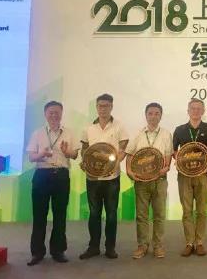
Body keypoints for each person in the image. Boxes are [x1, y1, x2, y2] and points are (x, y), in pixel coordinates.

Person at [26, 101, 79, 266]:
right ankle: (37, 252)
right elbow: (31, 157)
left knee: (60, 215)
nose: (54, 115)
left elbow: (75, 155)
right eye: (51, 112)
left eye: (57, 112)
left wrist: (67, 152)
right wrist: (41, 154)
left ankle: (58, 251)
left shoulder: (69, 133)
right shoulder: (37, 133)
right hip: (42, 175)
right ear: (45, 114)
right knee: (39, 215)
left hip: (61, 176)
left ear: (62, 113)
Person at [79, 93, 129, 260]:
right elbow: (85, 151)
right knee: (94, 213)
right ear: (96, 107)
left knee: (111, 214)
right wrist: (84, 163)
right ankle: (93, 247)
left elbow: (123, 150)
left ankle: (110, 247)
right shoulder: (88, 128)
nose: (103, 109)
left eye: (106, 106)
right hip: (92, 178)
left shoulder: (119, 126)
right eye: (100, 106)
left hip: (111, 178)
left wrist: (114, 164)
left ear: (111, 107)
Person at [126, 103, 173, 259]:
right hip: (141, 181)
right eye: (150, 113)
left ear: (161, 116)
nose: (153, 116)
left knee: (159, 214)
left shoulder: (166, 134)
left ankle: (158, 246)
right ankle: (142, 245)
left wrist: (166, 167)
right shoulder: (138, 134)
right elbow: (130, 154)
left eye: (157, 113)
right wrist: (129, 171)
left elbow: (168, 156)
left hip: (160, 180)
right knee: (141, 215)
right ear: (146, 115)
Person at [173, 98, 207, 257]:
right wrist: (180, 161)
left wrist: (206, 162)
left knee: (202, 210)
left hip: (202, 175)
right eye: (193, 108)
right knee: (187, 210)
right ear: (188, 111)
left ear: (203, 111)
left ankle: (200, 242)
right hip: (184, 176)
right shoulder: (180, 130)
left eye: (199, 108)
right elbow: (174, 151)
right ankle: (189, 243)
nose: (196, 111)